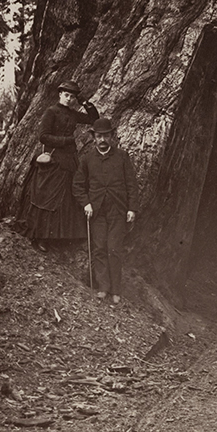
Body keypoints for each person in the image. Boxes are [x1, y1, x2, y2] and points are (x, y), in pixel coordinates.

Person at [24, 80, 99, 250]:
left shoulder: (73, 114)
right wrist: (67, 141)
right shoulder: (51, 112)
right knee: (48, 197)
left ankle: (66, 238)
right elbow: (43, 136)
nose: (69, 99)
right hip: (54, 160)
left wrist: (85, 102)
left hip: (70, 160)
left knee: (69, 198)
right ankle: (42, 237)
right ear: (60, 94)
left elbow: (94, 119)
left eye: (72, 96)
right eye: (66, 95)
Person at [73, 118, 139, 305]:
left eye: (106, 136)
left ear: (112, 137)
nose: (102, 140)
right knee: (100, 247)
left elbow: (132, 184)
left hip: (118, 210)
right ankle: (103, 287)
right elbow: (78, 185)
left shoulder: (122, 157)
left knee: (114, 249)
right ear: (94, 138)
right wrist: (86, 203)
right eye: (99, 136)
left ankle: (116, 289)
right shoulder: (87, 159)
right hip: (97, 211)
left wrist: (132, 208)